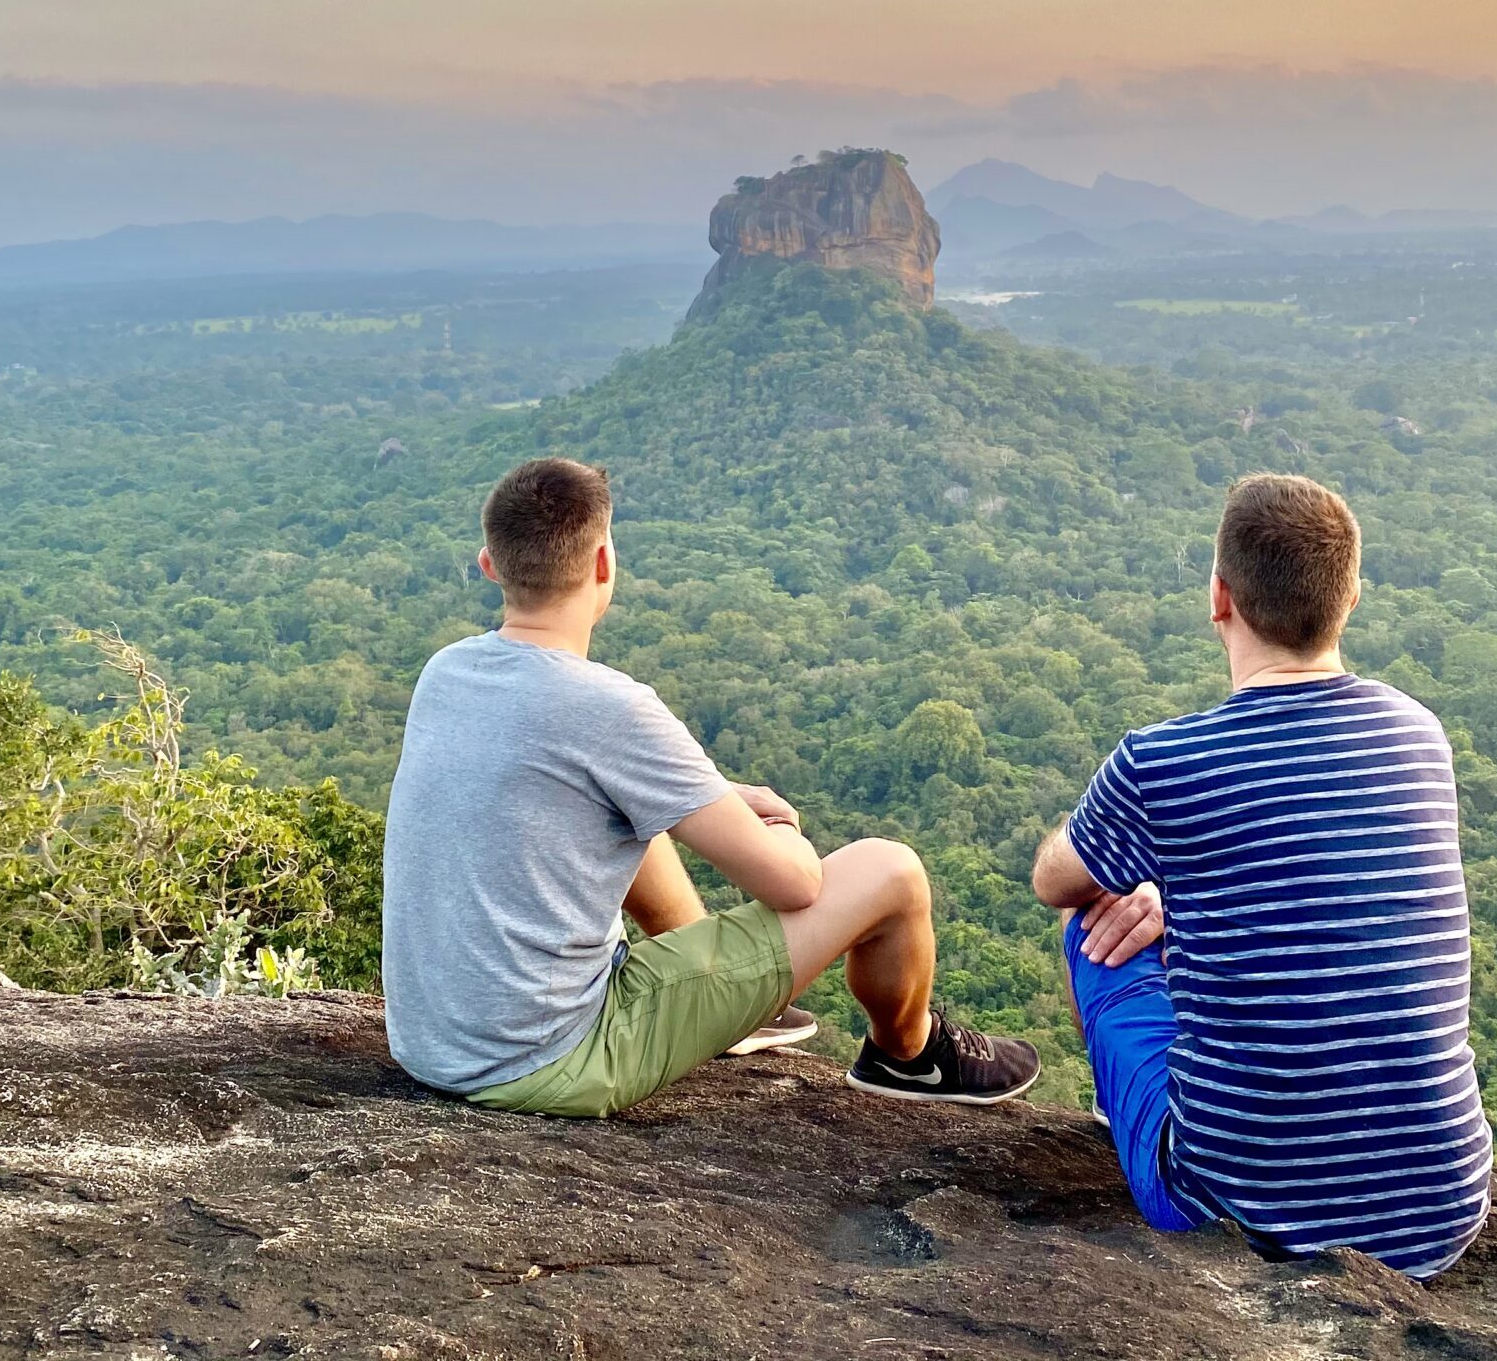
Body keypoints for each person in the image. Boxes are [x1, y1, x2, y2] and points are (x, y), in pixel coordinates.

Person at [384, 456, 1041, 1117]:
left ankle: (736, 1020)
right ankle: (912, 1057)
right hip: (555, 1059)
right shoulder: (613, 708)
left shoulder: (447, 670)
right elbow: (797, 887)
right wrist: (781, 830)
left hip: (432, 1043)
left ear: (490, 565)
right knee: (893, 873)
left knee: (630, 809)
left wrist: (707, 795)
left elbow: (549, 772)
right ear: (605, 565)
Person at [1031, 472, 1491, 1278]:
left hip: (1237, 1211)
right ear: (1349, 602)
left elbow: (1056, 879)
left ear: (1219, 598)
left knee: (1092, 926)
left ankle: (1135, 1126)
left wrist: (1150, 882)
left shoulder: (1161, 762)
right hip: (1442, 1211)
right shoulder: (1420, 733)